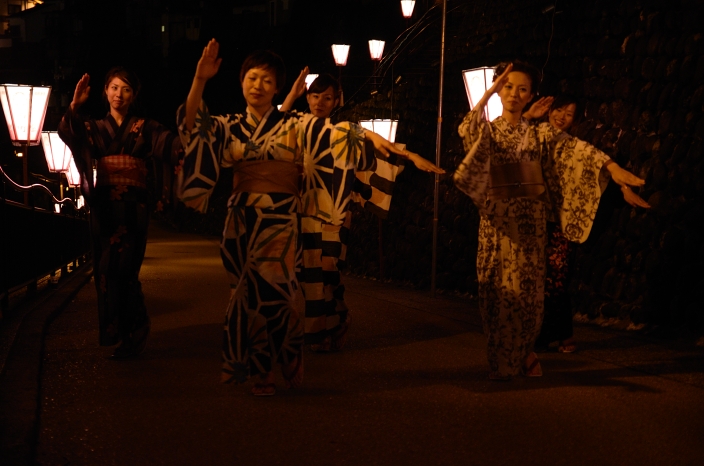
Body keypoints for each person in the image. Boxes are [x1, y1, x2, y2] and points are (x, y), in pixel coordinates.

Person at [178, 40, 414, 395]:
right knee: (244, 294)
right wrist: (200, 79)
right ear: (241, 82)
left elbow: (336, 134)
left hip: (280, 219)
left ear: (277, 89)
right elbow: (193, 126)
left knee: (275, 293)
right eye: (252, 78)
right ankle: (263, 369)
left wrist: (380, 141)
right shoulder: (229, 125)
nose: (257, 85)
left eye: (266, 80)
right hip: (240, 219)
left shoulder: (295, 124)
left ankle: (284, 355)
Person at [453, 62, 646, 380]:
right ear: (499, 91)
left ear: (532, 96)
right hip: (497, 228)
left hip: (530, 228)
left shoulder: (541, 135)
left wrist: (614, 173)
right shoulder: (488, 130)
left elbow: (578, 153)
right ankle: (506, 358)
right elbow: (467, 130)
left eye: (522, 89)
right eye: (507, 86)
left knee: (528, 298)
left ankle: (523, 351)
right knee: (496, 295)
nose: (514, 93)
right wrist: (489, 89)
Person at [280, 71, 444, 352]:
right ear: (308, 98)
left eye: (327, 98)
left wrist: (410, 156)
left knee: (328, 272)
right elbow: (275, 125)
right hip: (304, 211)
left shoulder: (343, 131)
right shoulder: (298, 127)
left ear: (336, 102)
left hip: (335, 213)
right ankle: (320, 331)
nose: (320, 102)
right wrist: (292, 94)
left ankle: (332, 324)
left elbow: (378, 142)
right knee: (306, 273)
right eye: (315, 96)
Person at [58, 67, 182, 359]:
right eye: (114, 88)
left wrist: (193, 139)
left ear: (134, 94)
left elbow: (173, 147)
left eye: (126, 89)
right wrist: (75, 105)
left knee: (124, 268)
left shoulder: (147, 127)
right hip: (105, 206)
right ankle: (129, 331)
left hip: (134, 207)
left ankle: (135, 329)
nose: (119, 94)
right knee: (106, 271)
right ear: (105, 91)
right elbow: (68, 132)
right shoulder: (95, 128)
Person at [524, 95, 650, 353]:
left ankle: (560, 336)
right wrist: (527, 117)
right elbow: (505, 137)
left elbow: (591, 158)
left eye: (569, 114)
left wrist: (620, 182)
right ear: (549, 110)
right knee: (537, 279)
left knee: (557, 279)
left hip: (557, 222)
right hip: (531, 218)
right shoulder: (533, 133)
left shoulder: (571, 145)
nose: (562, 116)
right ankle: (548, 335)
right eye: (559, 110)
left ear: (574, 121)